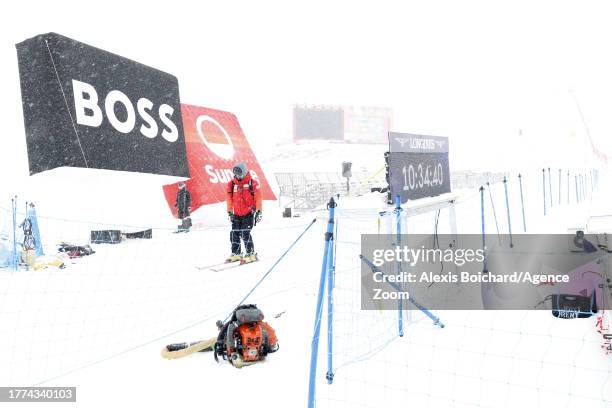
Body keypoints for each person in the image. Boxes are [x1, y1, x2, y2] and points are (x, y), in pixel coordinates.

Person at [213, 304, 278, 368]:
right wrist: (272, 344)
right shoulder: (261, 324)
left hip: (242, 353)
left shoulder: (234, 325)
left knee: (227, 329)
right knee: (227, 329)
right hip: (240, 353)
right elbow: (271, 334)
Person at [226, 163, 262, 263]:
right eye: (235, 173)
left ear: (244, 172)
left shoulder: (252, 183)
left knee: (245, 232)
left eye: (239, 173)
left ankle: (250, 254)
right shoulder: (232, 184)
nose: (237, 175)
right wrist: (229, 212)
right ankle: (236, 253)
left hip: (248, 213)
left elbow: (258, 197)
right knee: (234, 233)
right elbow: (229, 198)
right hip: (236, 213)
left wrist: (259, 211)